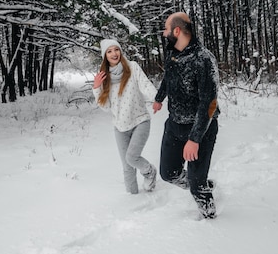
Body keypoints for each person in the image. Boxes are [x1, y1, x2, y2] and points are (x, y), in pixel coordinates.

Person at [152, 12, 220, 219]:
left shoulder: (204, 59)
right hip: (174, 125)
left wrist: (194, 139)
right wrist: (159, 97)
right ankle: (201, 183)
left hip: (201, 129)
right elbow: (168, 77)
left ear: (177, 30)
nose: (164, 33)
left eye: (166, 29)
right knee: (168, 174)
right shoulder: (172, 53)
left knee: (196, 182)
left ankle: (209, 214)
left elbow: (209, 104)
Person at [92, 39, 159, 194]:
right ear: (105, 56)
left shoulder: (132, 67)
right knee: (127, 167)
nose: (114, 53)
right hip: (120, 127)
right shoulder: (104, 77)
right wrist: (96, 88)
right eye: (109, 51)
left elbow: (145, 84)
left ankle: (149, 172)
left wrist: (156, 98)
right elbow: (105, 106)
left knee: (132, 157)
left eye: (116, 49)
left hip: (140, 120)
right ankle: (132, 199)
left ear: (120, 51)